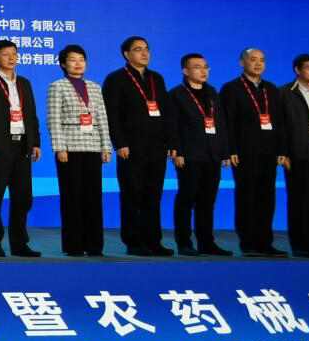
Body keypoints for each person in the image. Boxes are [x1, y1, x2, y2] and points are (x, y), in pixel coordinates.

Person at [102, 36, 175, 257]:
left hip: (157, 147)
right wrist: (120, 143)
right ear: (126, 54)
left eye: (146, 49)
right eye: (137, 49)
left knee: (153, 195)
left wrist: (171, 142)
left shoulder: (156, 78)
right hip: (131, 148)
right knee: (132, 195)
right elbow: (111, 115)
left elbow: (167, 112)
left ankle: (154, 241)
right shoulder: (116, 79)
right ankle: (133, 241)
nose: (144, 53)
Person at [46, 44, 112, 257]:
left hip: (92, 147)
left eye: (81, 60)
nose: (78, 64)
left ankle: (94, 245)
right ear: (63, 64)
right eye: (73, 60)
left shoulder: (95, 87)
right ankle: (73, 245)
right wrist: (59, 147)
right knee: (72, 197)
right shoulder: (57, 86)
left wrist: (106, 147)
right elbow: (53, 119)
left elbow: (102, 118)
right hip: (70, 148)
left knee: (93, 197)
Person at [223, 47, 287, 256]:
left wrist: (281, 149)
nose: (258, 63)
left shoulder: (272, 89)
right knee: (247, 197)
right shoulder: (231, 88)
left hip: (269, 151)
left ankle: (265, 242)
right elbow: (227, 122)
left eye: (262, 60)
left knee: (267, 197)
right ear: (242, 63)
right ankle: (248, 243)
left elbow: (280, 122)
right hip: (244, 152)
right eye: (253, 59)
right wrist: (230, 149)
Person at [0, 39, 41, 257]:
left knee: (23, 198)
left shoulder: (24, 83)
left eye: (14, 54)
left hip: (22, 146)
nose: (11, 58)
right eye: (6, 54)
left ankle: (19, 244)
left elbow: (31, 115)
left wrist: (35, 142)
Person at [168, 53, 233, 256]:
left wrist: (225, 152)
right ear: (185, 71)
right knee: (187, 199)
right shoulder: (177, 94)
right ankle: (184, 243)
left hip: (212, 154)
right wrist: (177, 151)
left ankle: (207, 243)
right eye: (197, 67)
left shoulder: (213, 92)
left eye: (206, 67)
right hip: (189, 155)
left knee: (207, 201)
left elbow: (221, 123)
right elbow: (172, 125)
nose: (203, 71)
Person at [282, 54, 309, 257]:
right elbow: (280, 127)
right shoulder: (285, 93)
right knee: (299, 199)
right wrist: (283, 152)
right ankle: (299, 244)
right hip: (298, 152)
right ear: (297, 70)